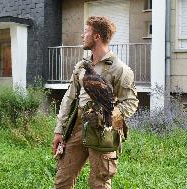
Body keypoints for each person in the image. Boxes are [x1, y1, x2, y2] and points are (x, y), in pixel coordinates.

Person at [52, 16, 139, 189]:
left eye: (86, 31)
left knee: (99, 182)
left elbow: (130, 102)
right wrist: (59, 130)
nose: (82, 35)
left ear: (97, 36)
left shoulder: (120, 69)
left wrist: (106, 117)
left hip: (102, 130)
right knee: (62, 180)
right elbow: (69, 99)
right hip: (77, 126)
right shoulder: (81, 67)